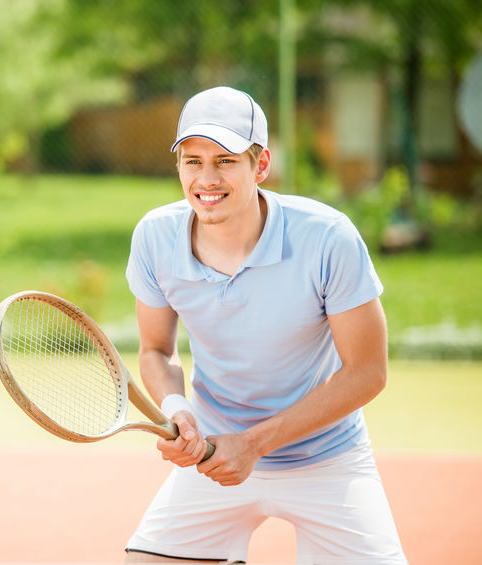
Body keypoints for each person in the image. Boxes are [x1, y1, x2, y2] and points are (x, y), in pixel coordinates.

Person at [123, 86, 407, 564]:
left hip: (327, 459)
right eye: (192, 161)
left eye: (225, 161)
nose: (206, 179)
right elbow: (156, 349)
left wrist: (253, 444)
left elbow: (368, 371)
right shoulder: (155, 236)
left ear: (261, 165)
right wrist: (177, 408)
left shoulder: (328, 237)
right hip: (215, 458)